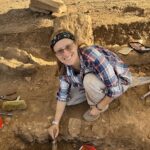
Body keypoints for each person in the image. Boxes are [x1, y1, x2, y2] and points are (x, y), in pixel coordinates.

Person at [48, 29, 132, 140]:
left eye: (68, 47)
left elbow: (115, 88)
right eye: (60, 51)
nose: (66, 53)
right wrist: (55, 123)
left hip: (117, 81)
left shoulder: (91, 55)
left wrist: (97, 107)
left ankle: (99, 104)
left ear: (76, 44)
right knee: (67, 99)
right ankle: (92, 92)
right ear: (56, 55)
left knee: (89, 81)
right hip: (93, 82)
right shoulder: (64, 68)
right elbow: (62, 96)